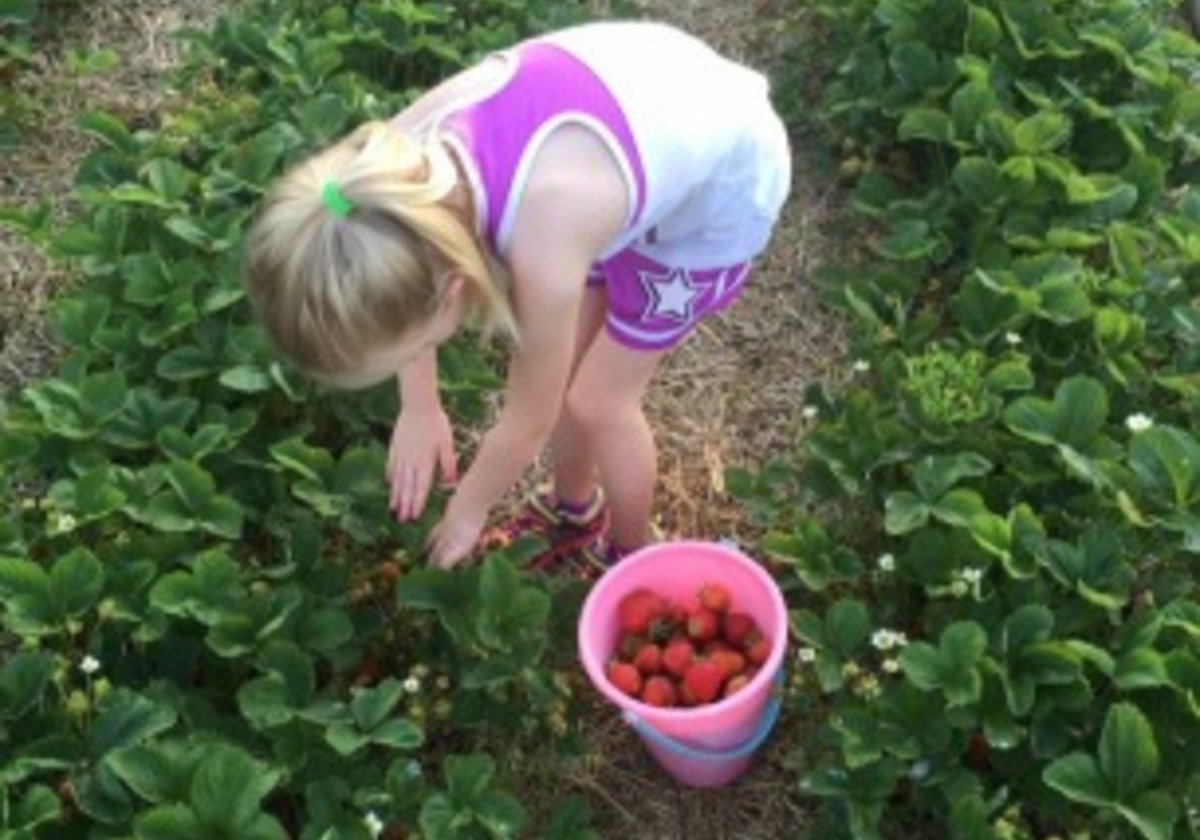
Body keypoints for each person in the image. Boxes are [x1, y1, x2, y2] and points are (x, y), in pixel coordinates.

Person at [244, 19, 792, 573]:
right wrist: (419, 403)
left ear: (450, 290)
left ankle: (632, 557)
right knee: (570, 360)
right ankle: (574, 512)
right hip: (640, 104)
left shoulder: (547, 244)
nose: (414, 361)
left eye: (412, 351)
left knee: (599, 401)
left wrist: (467, 510)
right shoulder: (378, 179)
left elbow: (530, 418)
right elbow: (404, 275)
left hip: (718, 189)